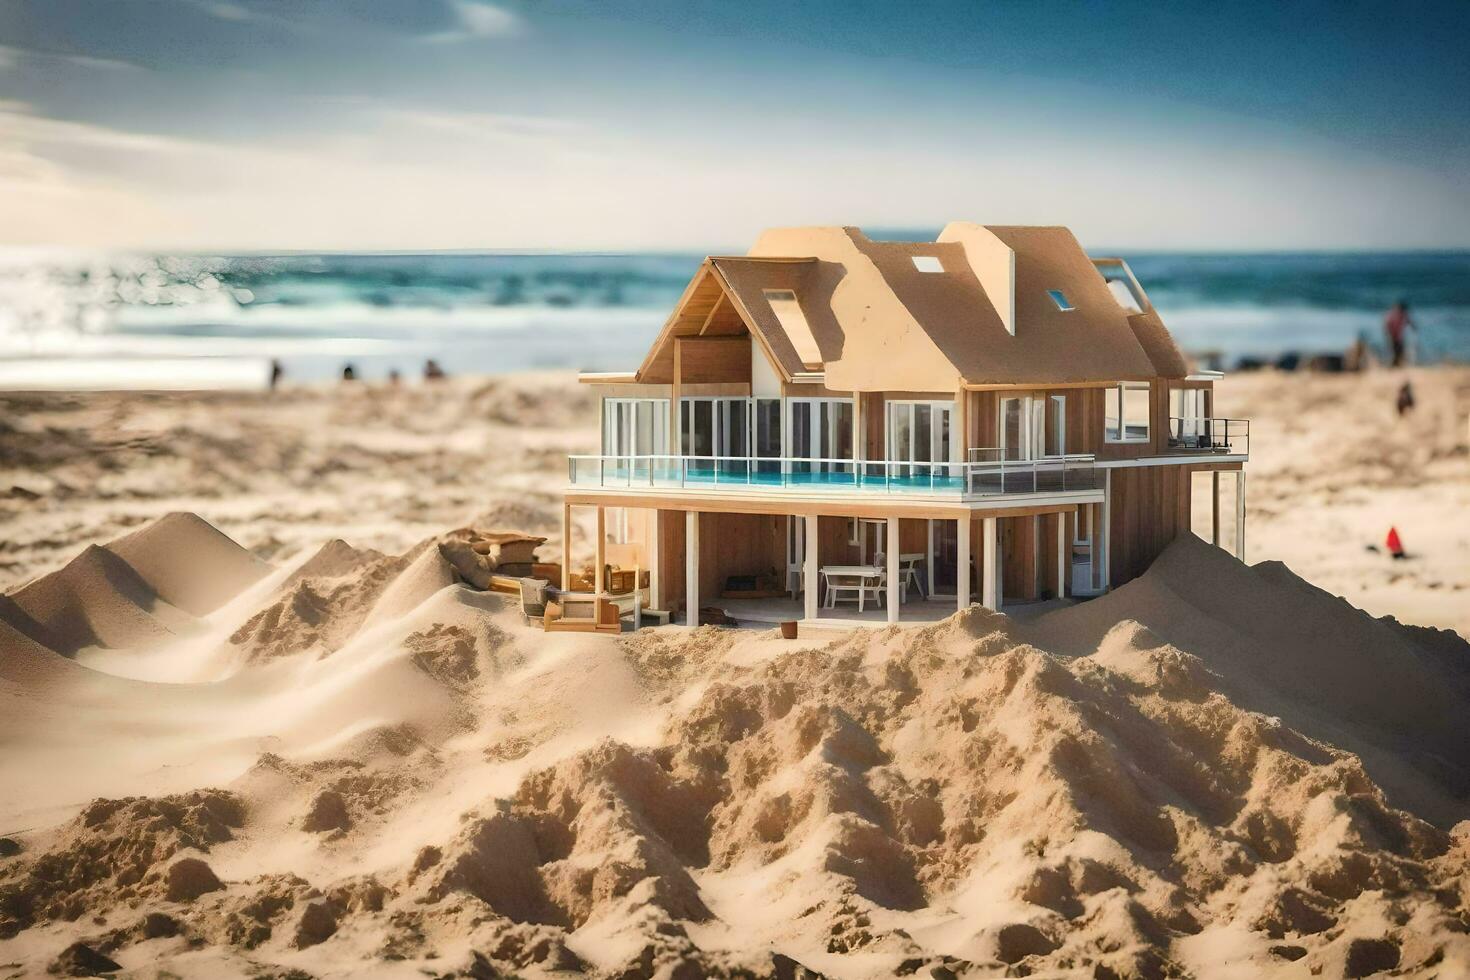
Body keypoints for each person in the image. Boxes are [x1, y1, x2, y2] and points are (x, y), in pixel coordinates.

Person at [1383, 300, 1415, 367]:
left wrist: (1413, 326)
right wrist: (1389, 334)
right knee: (1395, 351)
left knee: (1399, 351)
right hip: (1393, 336)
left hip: (1398, 336)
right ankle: (1394, 364)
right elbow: (1387, 325)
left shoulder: (1402, 315)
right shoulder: (1392, 315)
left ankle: (1396, 365)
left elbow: (1409, 321)